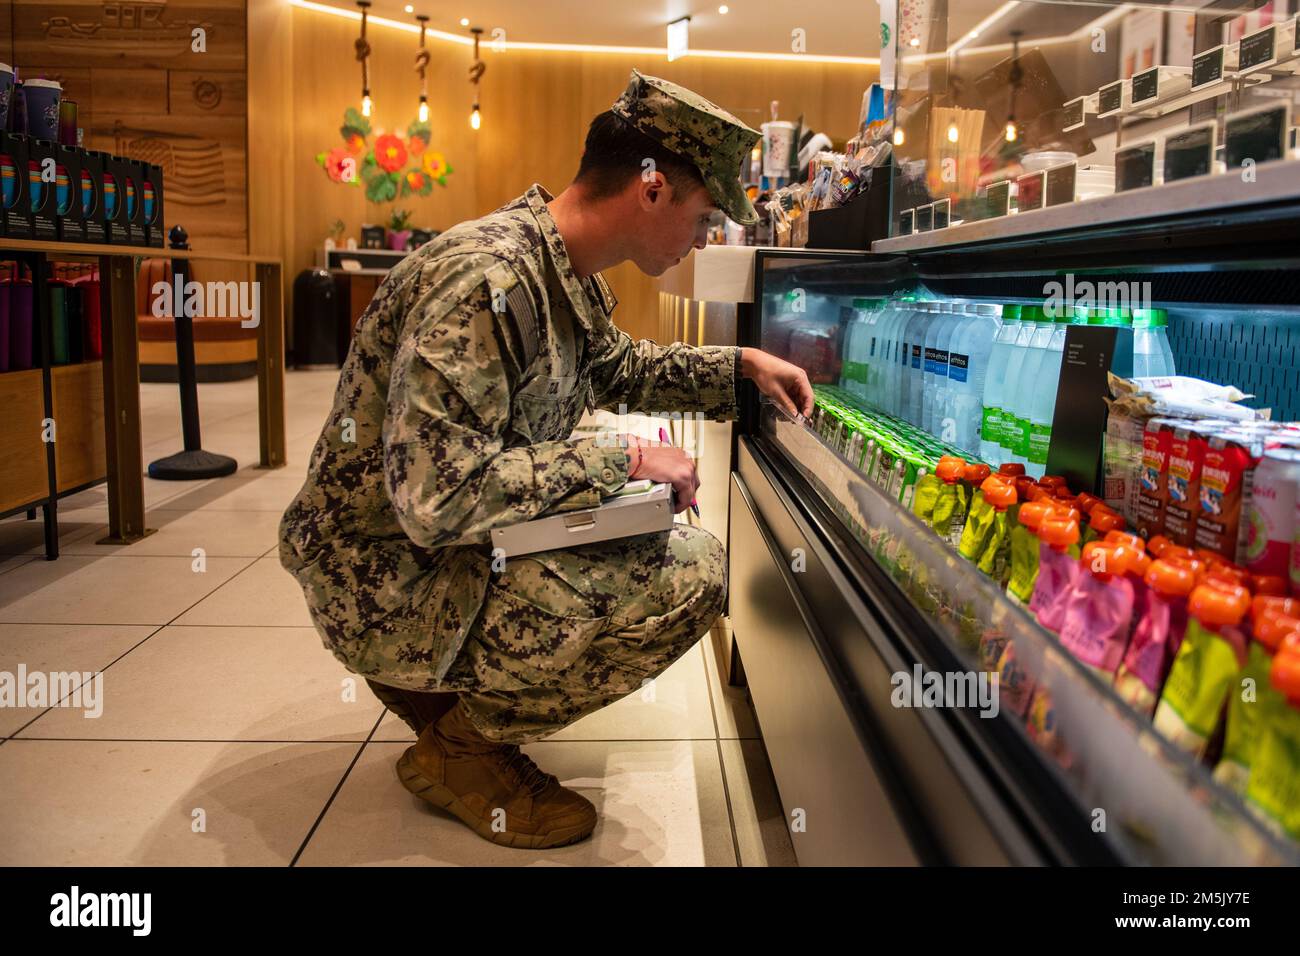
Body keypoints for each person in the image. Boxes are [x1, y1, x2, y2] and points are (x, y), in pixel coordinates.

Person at [279, 69, 812, 850]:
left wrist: (737, 367)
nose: (704, 240)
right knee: (691, 574)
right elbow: (440, 498)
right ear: (653, 188)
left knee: (643, 546)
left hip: (433, 556)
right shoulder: (487, 281)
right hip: (386, 581)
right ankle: (463, 747)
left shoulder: (555, 267)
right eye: (704, 219)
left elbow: (621, 368)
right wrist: (623, 457)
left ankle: (450, 706)